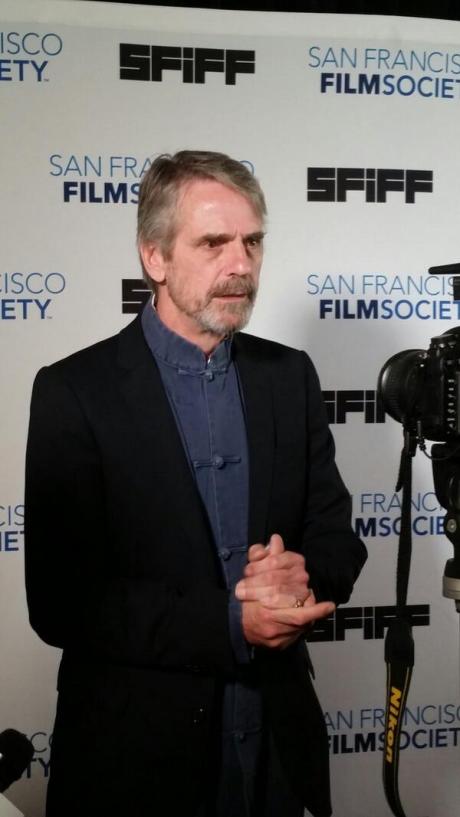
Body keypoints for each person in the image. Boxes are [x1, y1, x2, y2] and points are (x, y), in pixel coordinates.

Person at [25, 150, 367, 817]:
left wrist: (300, 577)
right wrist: (233, 623)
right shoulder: (75, 391)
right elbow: (62, 601)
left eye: (252, 242)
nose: (241, 264)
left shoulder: (289, 377)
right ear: (154, 256)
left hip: (277, 759)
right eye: (214, 243)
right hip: (133, 769)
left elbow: (336, 539)